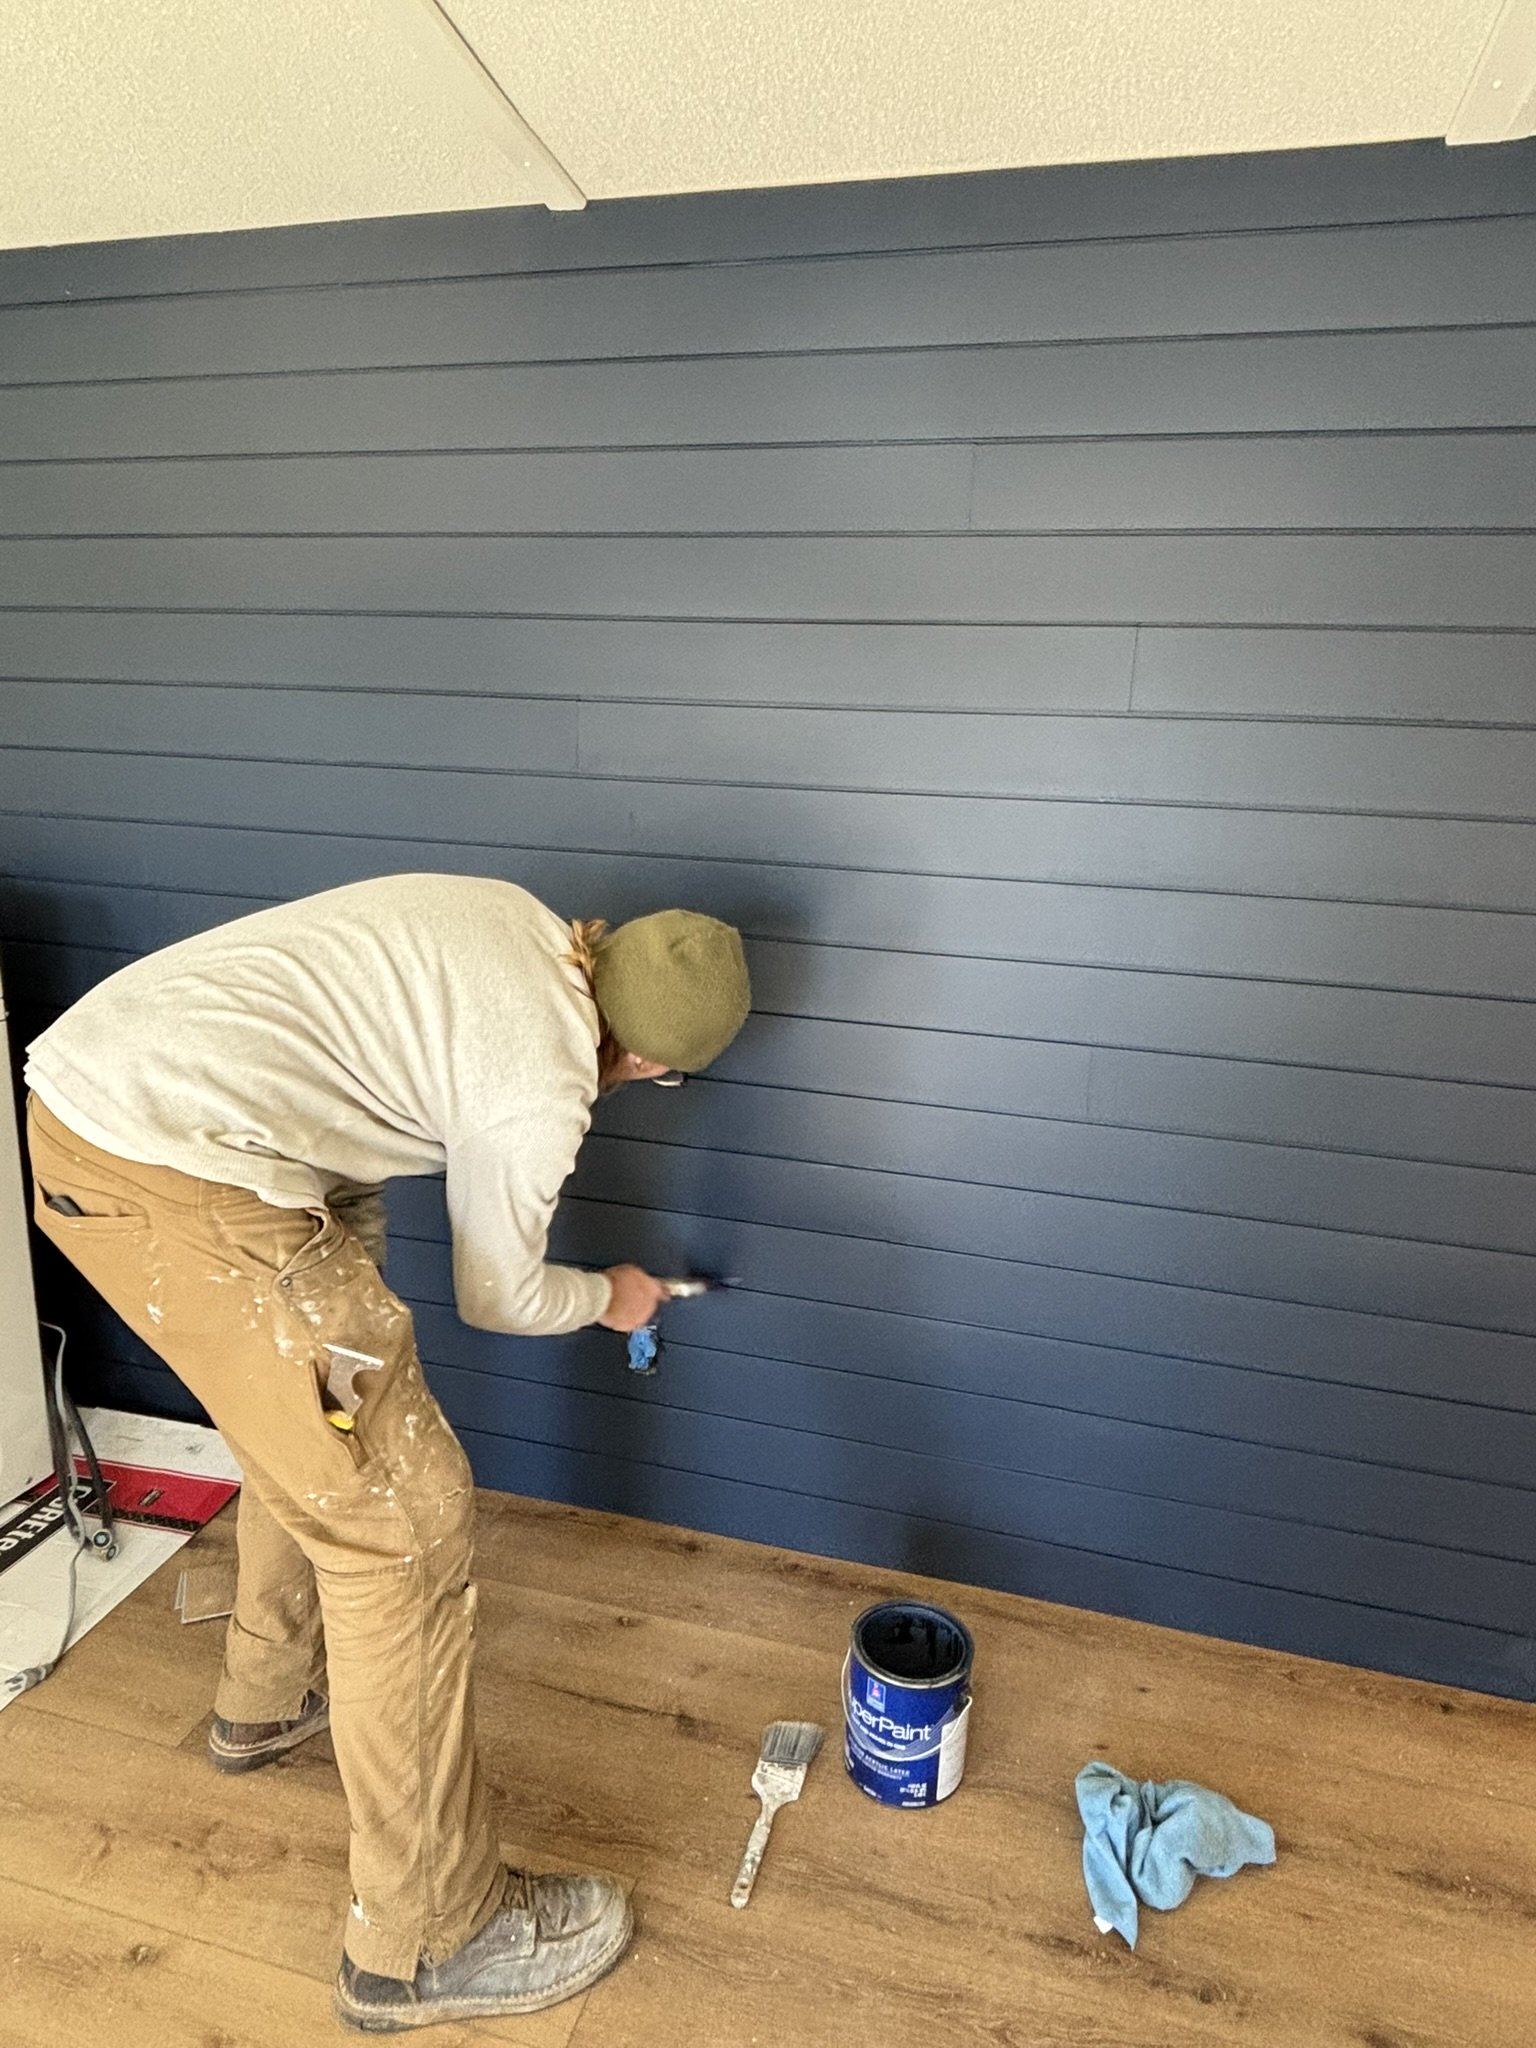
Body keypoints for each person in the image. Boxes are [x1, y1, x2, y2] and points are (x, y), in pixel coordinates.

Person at [23, 873, 750, 2032]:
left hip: (100, 1105)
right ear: (654, 1062)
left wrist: (340, 1305)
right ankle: (428, 1937)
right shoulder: (546, 1080)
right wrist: (606, 1294)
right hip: (176, 1163)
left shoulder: (514, 921)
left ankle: (266, 1693)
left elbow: (353, 1088)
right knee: (406, 1521)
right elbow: (498, 1294)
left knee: (326, 1427)